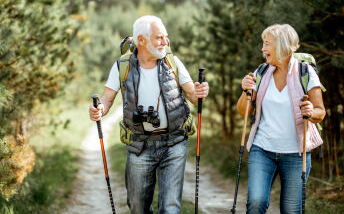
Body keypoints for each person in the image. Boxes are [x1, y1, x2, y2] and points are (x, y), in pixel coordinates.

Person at [89, 15, 209, 214]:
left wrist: (202, 92)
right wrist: (98, 109)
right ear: (141, 40)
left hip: (174, 143)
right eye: (159, 37)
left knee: (170, 208)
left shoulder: (173, 62)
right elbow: (107, 99)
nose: (165, 42)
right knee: (137, 207)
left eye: (166, 37)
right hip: (139, 145)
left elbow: (194, 97)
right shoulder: (122, 66)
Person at [237, 24, 325, 214]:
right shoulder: (261, 72)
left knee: (291, 210)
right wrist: (246, 92)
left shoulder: (305, 73)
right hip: (262, 149)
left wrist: (311, 111)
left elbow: (320, 112)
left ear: (282, 46)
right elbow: (244, 111)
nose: (263, 49)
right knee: (255, 202)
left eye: (267, 44)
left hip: (296, 153)